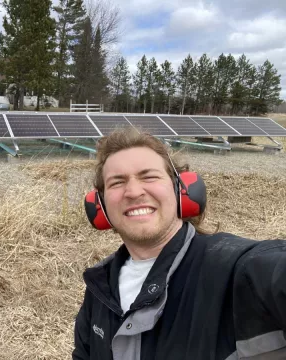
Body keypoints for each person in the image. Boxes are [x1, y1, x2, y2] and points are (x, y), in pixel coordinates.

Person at [73, 128, 286, 360]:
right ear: (100, 206)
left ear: (181, 190)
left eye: (149, 176)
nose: (133, 192)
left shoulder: (237, 271)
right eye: (117, 182)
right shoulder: (99, 288)